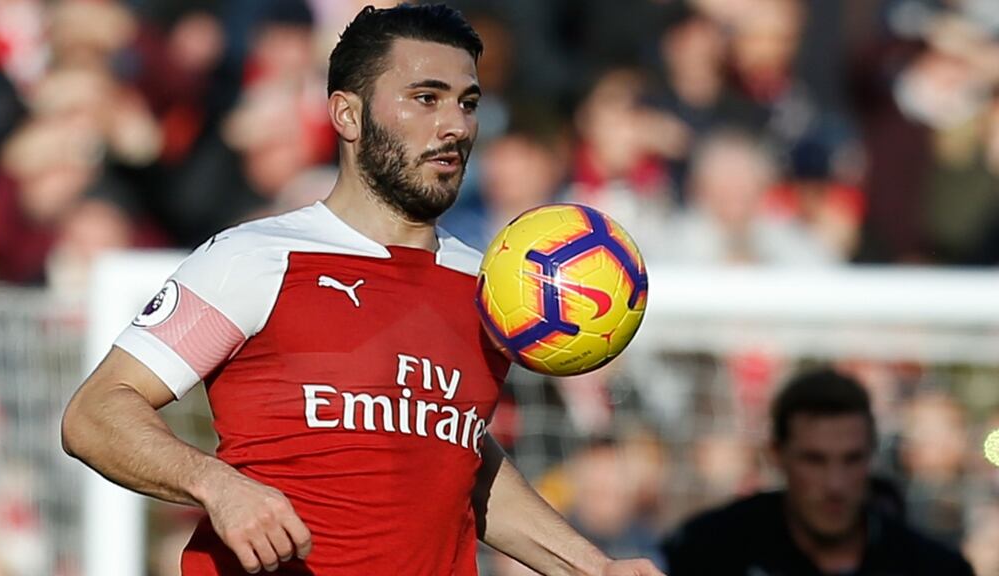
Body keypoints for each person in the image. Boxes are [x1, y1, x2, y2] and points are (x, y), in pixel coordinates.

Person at [60, 5, 664, 576]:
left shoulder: (486, 287)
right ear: (348, 115)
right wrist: (216, 485)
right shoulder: (257, 259)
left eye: (468, 103)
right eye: (425, 98)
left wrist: (592, 566)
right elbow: (96, 411)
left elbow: (455, 464)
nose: (454, 125)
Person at [661, 368, 974, 576]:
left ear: (871, 457)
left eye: (851, 459)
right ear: (778, 456)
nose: (835, 483)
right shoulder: (709, 551)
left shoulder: (931, 567)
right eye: (814, 460)